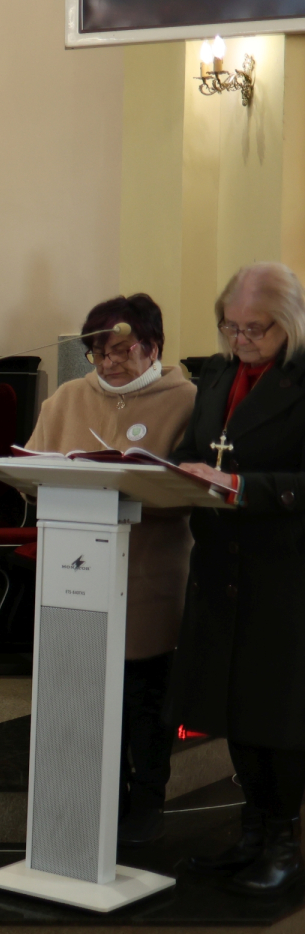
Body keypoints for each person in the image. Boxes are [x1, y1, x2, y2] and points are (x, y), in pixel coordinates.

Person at [23, 295, 196, 845]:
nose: (109, 362)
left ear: (153, 348)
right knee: (85, 690)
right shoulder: (68, 398)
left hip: (149, 570)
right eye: (99, 351)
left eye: (122, 351)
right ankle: (94, 799)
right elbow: (32, 470)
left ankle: (147, 801)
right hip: (76, 567)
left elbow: (194, 486)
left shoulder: (187, 400)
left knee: (144, 694)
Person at [168, 263, 305, 893]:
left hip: (284, 570)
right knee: (234, 705)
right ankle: (251, 831)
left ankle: (283, 840)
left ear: (290, 323)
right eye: (231, 325)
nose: (240, 338)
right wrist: (171, 472)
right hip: (221, 565)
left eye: (256, 328)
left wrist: (244, 486)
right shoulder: (218, 375)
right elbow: (194, 449)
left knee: (278, 714)